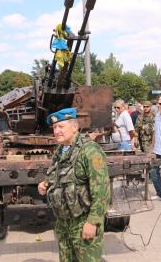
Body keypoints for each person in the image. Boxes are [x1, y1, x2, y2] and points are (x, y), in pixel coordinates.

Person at [37, 108, 110, 262]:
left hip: (83, 221)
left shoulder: (89, 151)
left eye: (61, 127)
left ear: (74, 127)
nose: (56, 131)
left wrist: (92, 222)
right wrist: (45, 184)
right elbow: (56, 174)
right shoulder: (60, 150)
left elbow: (102, 191)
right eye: (55, 128)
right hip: (63, 223)